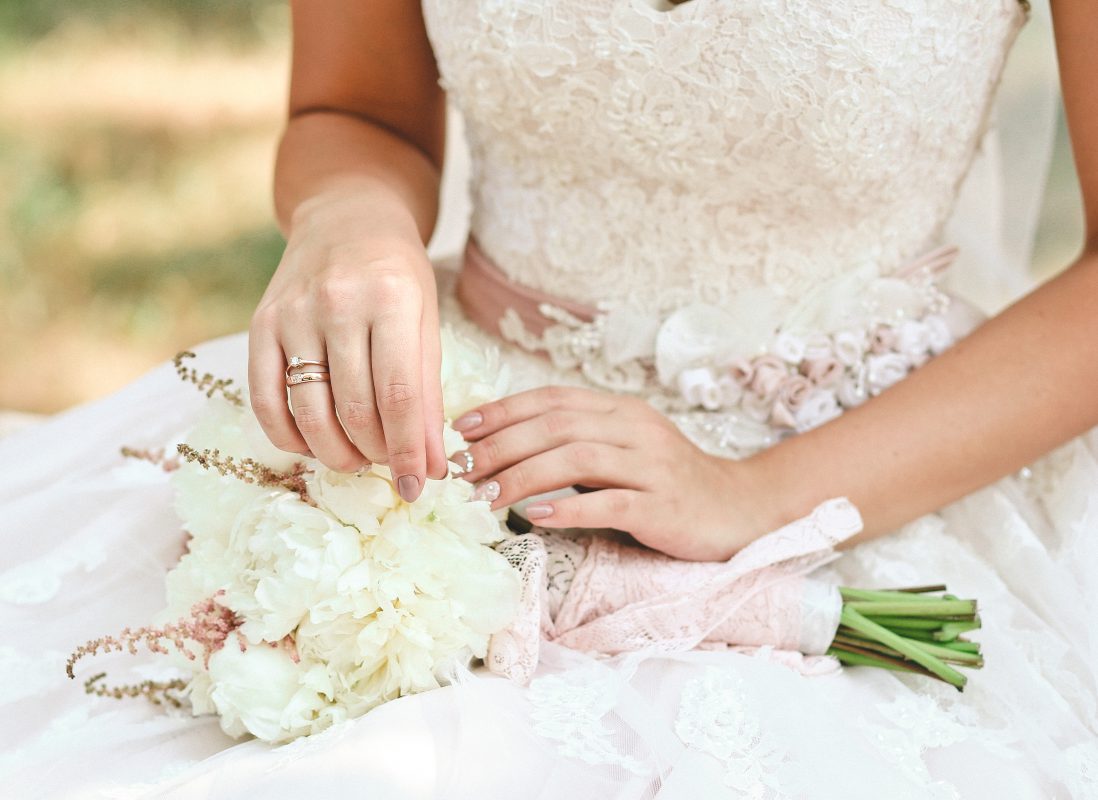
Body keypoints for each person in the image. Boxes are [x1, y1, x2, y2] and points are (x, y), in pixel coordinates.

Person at [3, 0, 1096, 796]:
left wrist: (757, 494)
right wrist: (351, 219)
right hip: (458, 432)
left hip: (867, 462)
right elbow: (356, 107)